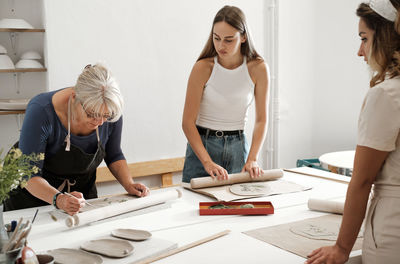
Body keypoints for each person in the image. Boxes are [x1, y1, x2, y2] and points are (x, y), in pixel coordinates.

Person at [305, 1, 400, 264]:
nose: (360, 51)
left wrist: (341, 247)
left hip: (392, 233)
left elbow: (361, 180)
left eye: (364, 39)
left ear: (386, 39)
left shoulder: (386, 93)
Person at [3, 64, 149, 215]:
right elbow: (29, 176)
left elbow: (114, 154)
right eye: (92, 114)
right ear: (74, 98)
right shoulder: (41, 110)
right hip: (31, 196)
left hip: (79, 195)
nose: (99, 122)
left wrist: (129, 184)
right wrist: (59, 200)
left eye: (105, 116)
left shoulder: (109, 109)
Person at [181, 5, 269, 183]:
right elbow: (187, 123)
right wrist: (207, 162)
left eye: (229, 40)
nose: (221, 45)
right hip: (203, 147)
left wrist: (252, 158)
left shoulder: (258, 68)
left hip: (238, 147)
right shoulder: (202, 68)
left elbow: (261, 120)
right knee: (194, 206)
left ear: (243, 37)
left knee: (237, 206)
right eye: (217, 38)